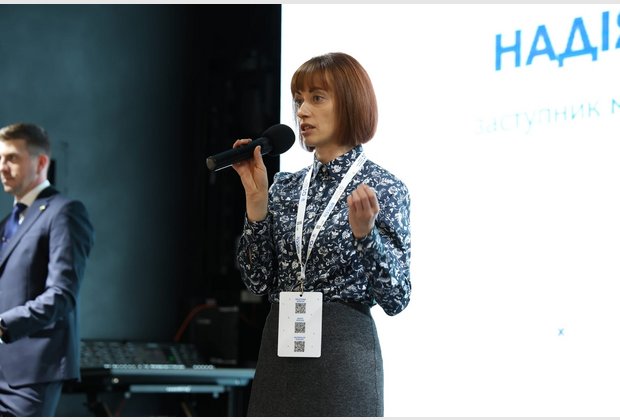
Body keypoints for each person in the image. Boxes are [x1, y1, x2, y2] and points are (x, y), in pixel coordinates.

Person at [233, 52, 411, 416]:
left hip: (343, 355)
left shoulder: (384, 188)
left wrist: (366, 238)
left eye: (317, 98)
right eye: (299, 100)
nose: (301, 112)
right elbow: (257, 281)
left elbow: (396, 297)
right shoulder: (284, 187)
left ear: (350, 103)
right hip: (280, 351)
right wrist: (256, 206)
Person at [0, 123, 94, 416]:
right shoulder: (6, 225)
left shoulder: (64, 212)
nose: (2, 167)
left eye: (12, 158)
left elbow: (61, 295)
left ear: (41, 162)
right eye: (0, 158)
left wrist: (2, 325)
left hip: (30, 376)